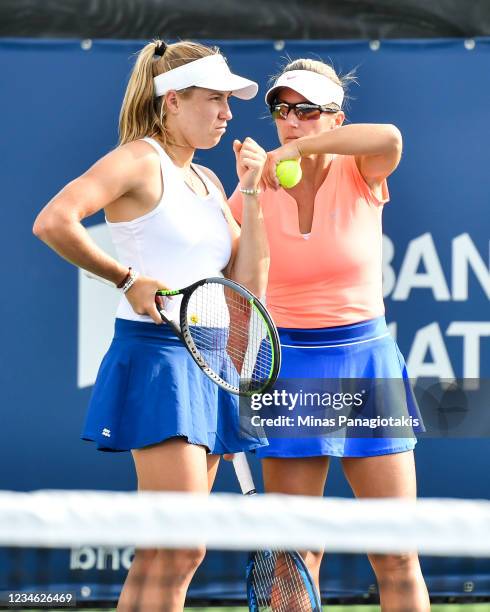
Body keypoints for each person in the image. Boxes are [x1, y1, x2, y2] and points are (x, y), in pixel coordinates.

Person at [33, 39, 269, 612]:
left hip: (209, 360)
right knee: (182, 547)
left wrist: (255, 193)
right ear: (171, 102)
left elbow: (248, 290)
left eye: (228, 101)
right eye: (213, 99)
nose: (226, 113)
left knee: (165, 551)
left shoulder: (212, 184)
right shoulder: (138, 160)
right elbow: (53, 221)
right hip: (157, 358)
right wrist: (123, 278)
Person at [229, 59, 430, 610]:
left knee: (395, 555)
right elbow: (238, 294)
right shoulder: (253, 183)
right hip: (286, 366)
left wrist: (300, 152)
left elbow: (389, 135)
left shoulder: (362, 169)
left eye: (307, 110)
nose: (291, 121)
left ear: (334, 117)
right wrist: (251, 189)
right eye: (281, 109)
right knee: (297, 557)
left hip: (367, 363)